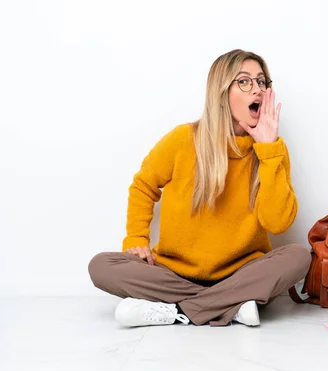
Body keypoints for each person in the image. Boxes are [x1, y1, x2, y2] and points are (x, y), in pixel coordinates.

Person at [88, 49, 310, 328]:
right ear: (221, 91)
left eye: (262, 81)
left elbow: (277, 223)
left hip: (240, 273)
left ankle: (176, 311)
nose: (258, 90)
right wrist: (136, 238)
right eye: (245, 81)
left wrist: (267, 150)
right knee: (101, 266)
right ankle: (231, 306)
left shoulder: (272, 150)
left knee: (298, 257)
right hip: (174, 274)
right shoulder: (183, 140)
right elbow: (144, 185)